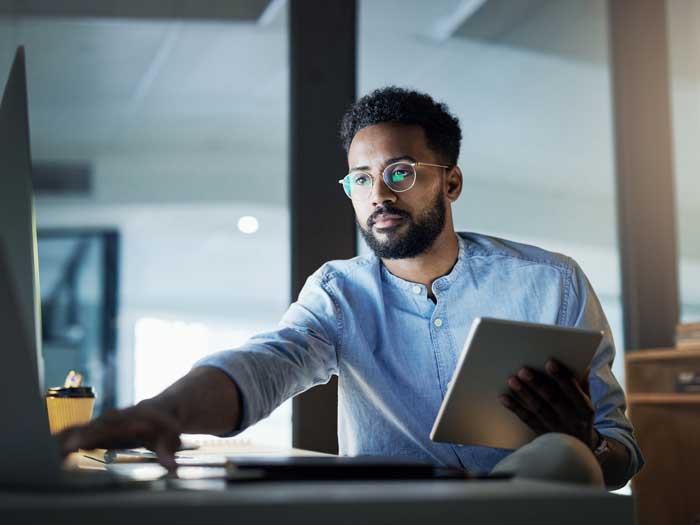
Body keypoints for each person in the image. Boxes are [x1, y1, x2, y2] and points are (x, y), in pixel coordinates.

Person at [59, 87, 643, 489]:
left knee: (565, 456)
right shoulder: (340, 292)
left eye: (400, 172)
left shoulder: (551, 283)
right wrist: (164, 411)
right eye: (361, 178)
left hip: (524, 518)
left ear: (452, 183)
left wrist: (587, 444)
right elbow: (268, 363)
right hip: (391, 518)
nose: (379, 196)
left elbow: (622, 455)